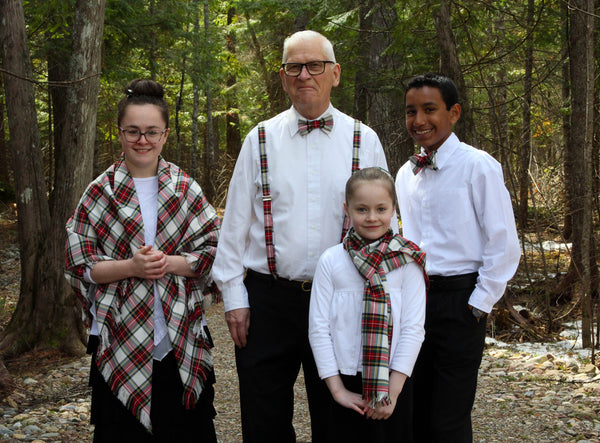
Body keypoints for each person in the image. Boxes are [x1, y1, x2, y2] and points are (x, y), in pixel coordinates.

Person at [212, 30, 388, 442]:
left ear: (336, 73)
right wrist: (234, 299)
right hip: (268, 302)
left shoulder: (365, 140)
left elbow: (384, 228)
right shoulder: (259, 140)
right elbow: (234, 226)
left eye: (315, 65)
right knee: (263, 418)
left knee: (340, 419)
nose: (305, 74)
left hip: (341, 300)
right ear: (283, 76)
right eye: (295, 66)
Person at [65, 79, 221, 442]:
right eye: (133, 131)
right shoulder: (99, 192)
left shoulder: (184, 187)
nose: (142, 140)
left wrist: (168, 263)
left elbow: (215, 250)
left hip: (180, 342)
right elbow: (81, 266)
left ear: (165, 134)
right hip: (119, 342)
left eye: (152, 131)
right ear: (119, 133)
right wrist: (131, 268)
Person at [395, 73, 521, 442]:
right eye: (411, 112)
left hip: (460, 301)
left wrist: (478, 304)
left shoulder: (478, 166)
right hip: (415, 301)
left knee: (448, 416)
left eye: (429, 109)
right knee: (413, 407)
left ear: (454, 113)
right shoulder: (405, 174)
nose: (419, 120)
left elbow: (503, 242)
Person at [309, 167, 427, 442]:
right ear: (347, 209)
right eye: (362, 209)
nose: (372, 217)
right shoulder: (331, 260)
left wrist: (393, 391)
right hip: (343, 380)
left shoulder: (408, 261)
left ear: (393, 209)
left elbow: (413, 328)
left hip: (392, 379)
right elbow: (318, 328)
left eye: (381, 208)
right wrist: (337, 390)